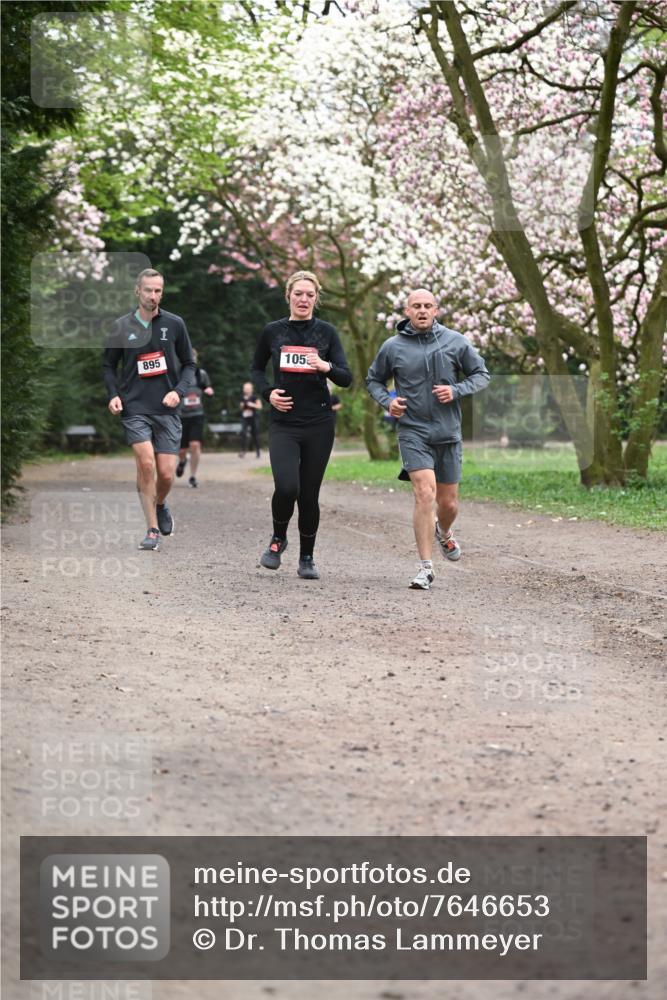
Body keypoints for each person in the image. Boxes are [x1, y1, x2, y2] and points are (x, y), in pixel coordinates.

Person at [366, 288, 490, 590]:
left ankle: (444, 532)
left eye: (428, 306)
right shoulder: (392, 347)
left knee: (448, 504)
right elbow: (373, 380)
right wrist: (388, 401)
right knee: (424, 493)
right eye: (416, 306)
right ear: (407, 311)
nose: (422, 311)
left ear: (436, 310)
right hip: (412, 430)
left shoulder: (455, 341)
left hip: (448, 432)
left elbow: (481, 374)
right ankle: (425, 568)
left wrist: (456, 390)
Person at [251, 270, 352, 580]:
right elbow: (256, 369)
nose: (304, 299)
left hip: (319, 423)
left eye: (310, 295)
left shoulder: (327, 333)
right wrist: (269, 394)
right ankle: (277, 539)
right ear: (288, 297)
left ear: (316, 298)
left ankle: (307, 557)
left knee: (308, 494)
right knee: (286, 486)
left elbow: (346, 377)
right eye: (299, 294)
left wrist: (326, 367)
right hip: (284, 423)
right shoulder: (273, 332)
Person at [103, 268, 195, 550]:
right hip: (134, 408)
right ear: (137, 291)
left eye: (158, 291)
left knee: (166, 474)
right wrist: (113, 395)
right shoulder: (121, 326)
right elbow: (108, 365)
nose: (153, 295)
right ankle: (152, 529)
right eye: (148, 290)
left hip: (166, 409)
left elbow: (189, 364)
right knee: (146, 464)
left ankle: (161, 502)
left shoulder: (175, 324)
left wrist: (178, 392)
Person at [176, 349, 214, 487]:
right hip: (181, 415)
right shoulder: (178, 373)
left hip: (197, 414)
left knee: (195, 445)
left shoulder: (200, 374)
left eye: (193, 357)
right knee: (181, 450)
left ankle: (192, 476)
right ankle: (182, 461)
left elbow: (207, 388)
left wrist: (209, 391)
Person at [238, 381, 262, 458]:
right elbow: (241, 408)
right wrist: (242, 406)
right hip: (245, 417)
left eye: (248, 388)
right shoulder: (242, 398)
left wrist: (252, 404)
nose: (247, 390)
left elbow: (259, 406)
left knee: (255, 434)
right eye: (245, 388)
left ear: (251, 389)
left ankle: (258, 451)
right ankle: (242, 450)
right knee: (243, 433)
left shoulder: (255, 397)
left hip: (253, 417)